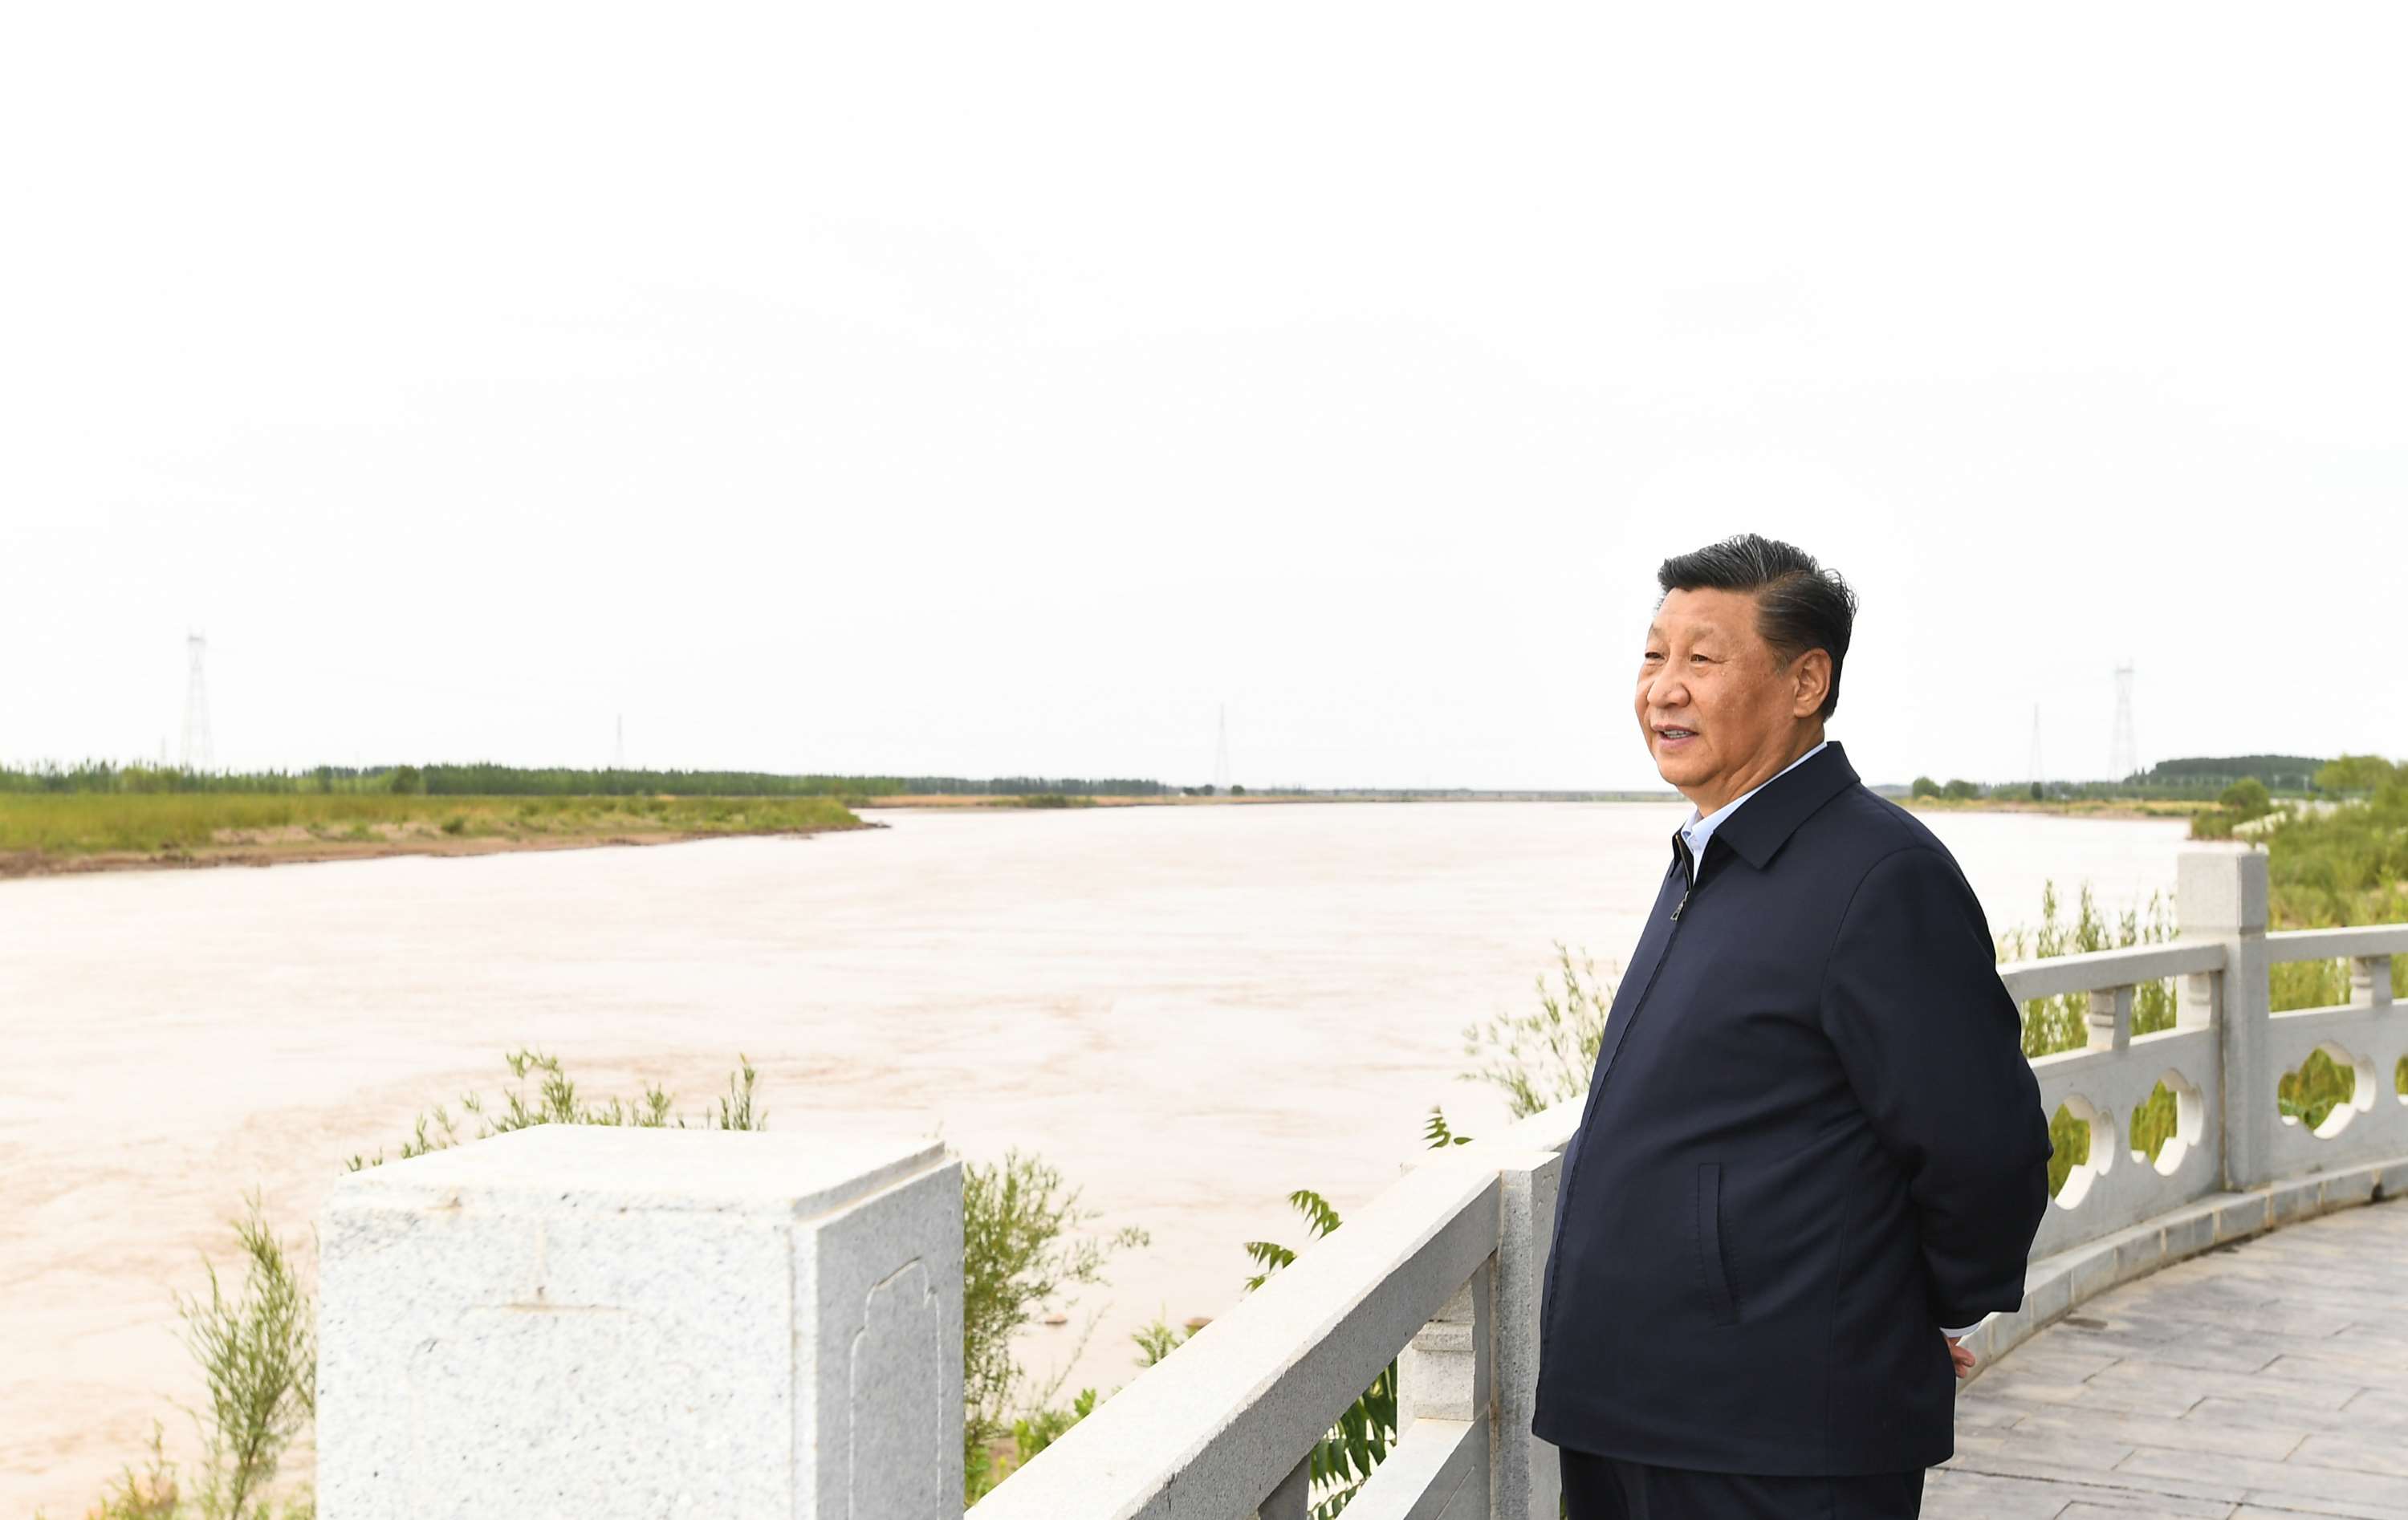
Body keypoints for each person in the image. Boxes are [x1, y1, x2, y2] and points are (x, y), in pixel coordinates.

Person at [1531, 533, 2052, 1519]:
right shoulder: (1709, 855)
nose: (1664, 689)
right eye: (1654, 655)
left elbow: (1985, 1148)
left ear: (1807, 681)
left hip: (1772, 1443)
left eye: (1702, 658)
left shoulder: (1879, 875)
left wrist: (1919, 1309)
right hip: (1629, 1413)